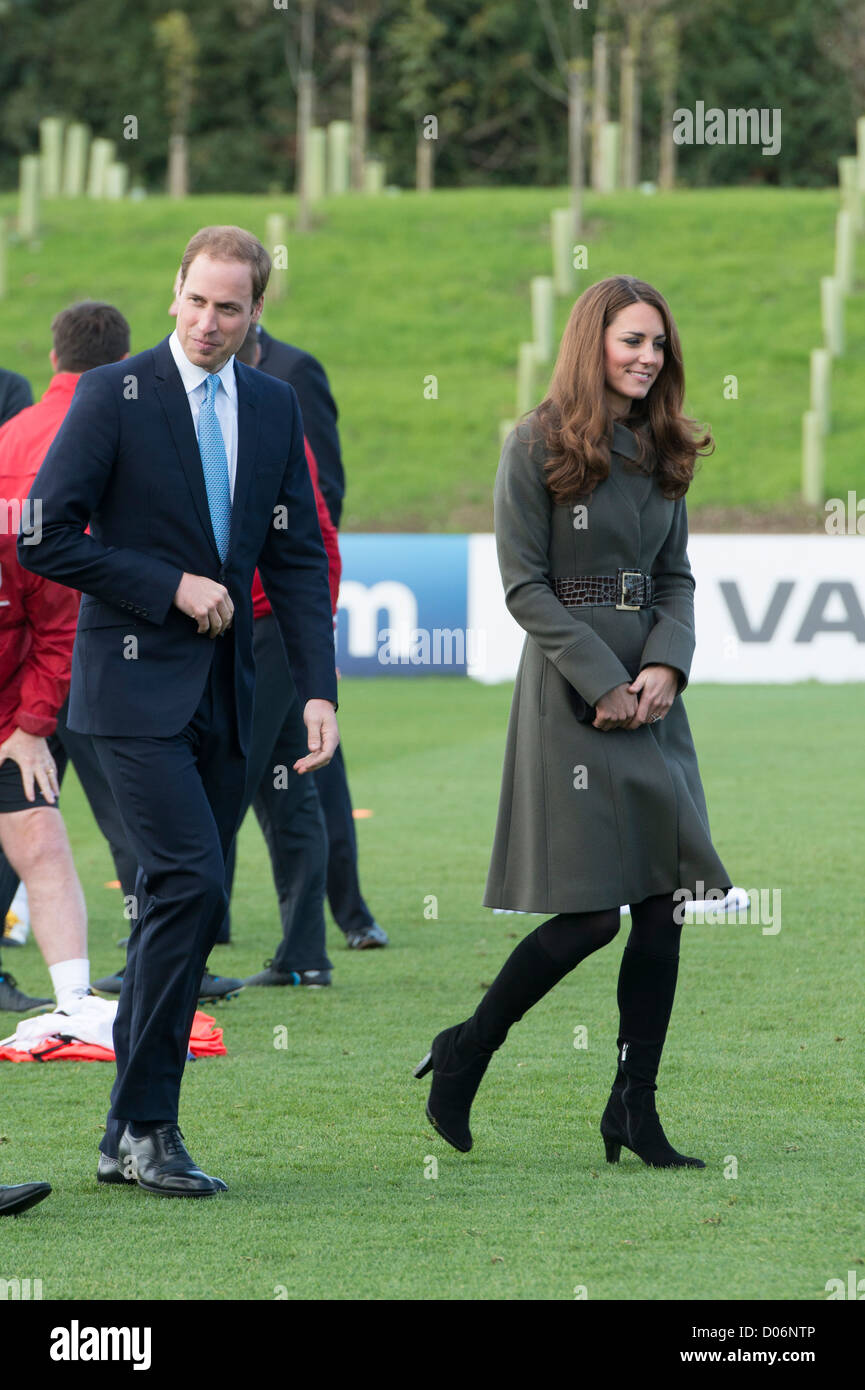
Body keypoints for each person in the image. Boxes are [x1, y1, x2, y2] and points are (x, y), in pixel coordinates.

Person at [19, 225, 339, 1198]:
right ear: (174, 294)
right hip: (125, 689)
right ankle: (148, 1124)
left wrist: (318, 687)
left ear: (254, 315)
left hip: (228, 697)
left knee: (176, 903)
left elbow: (293, 558)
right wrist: (169, 586)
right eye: (197, 301)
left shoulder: (275, 406)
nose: (209, 322)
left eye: (230, 308)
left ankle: (129, 1130)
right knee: (194, 879)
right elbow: (44, 534)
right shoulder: (116, 395)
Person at [415, 275, 732, 1170]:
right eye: (631, 341)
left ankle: (634, 1106)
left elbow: (675, 576)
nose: (647, 358)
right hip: (569, 692)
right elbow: (524, 586)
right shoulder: (535, 443)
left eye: (658, 345)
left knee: (666, 904)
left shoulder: (666, 444)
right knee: (591, 916)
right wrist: (600, 679)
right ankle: (467, 1048)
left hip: (655, 694)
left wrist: (666, 663)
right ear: (592, 341)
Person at [0, 302, 142, 1012]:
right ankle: (150, 960)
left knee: (31, 822)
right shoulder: (127, 424)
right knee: (128, 815)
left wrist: (27, 719)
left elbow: (39, 593)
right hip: (111, 650)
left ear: (56, 357)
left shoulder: (12, 444)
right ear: (121, 362)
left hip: (34, 670)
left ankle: (57, 992)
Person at [245, 320, 387, 952]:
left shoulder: (289, 381)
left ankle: (349, 917)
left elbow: (318, 504)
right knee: (288, 774)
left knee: (286, 768)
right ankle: (301, 950)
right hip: (247, 619)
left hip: (269, 618)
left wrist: (308, 629)